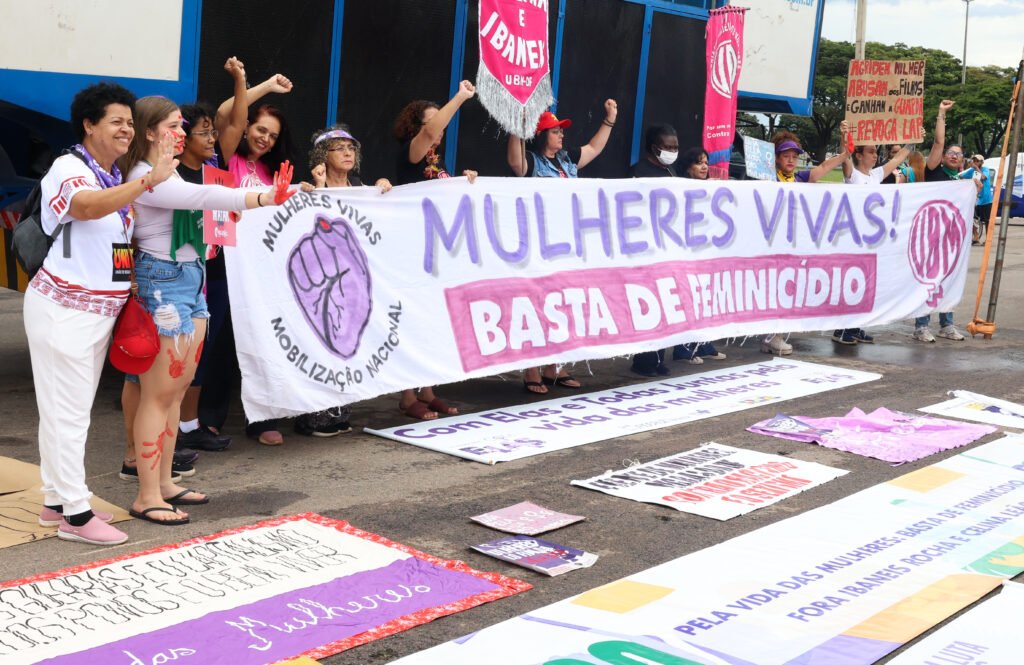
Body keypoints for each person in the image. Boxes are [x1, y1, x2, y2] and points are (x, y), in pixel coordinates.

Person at [121, 95, 295, 525]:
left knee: (176, 392)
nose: (180, 133)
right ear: (149, 132)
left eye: (181, 125)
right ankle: (147, 494)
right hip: (163, 282)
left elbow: (202, 198)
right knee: (159, 394)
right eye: (172, 126)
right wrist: (262, 197)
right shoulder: (145, 174)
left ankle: (163, 484)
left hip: (189, 278)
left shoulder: (161, 172)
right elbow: (201, 194)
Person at [25, 83, 175, 545]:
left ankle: (55, 501)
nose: (127, 129)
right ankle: (75, 514)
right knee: (70, 415)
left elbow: (112, 238)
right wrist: (148, 180)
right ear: (89, 125)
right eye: (116, 121)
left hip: (94, 312)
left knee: (62, 411)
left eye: (130, 122)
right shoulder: (70, 168)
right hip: (65, 310)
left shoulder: (110, 175)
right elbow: (85, 208)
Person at [508, 100, 618, 392]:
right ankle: (531, 368)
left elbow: (593, 148)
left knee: (562, 304)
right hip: (538, 244)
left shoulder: (566, 160)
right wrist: (517, 126)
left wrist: (609, 119)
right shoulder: (532, 161)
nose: (561, 135)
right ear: (542, 135)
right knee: (537, 303)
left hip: (567, 244)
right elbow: (516, 163)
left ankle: (554, 365)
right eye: (555, 131)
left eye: (561, 131)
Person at [215, 62, 295, 443]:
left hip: (261, 269)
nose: (266, 139)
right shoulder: (225, 155)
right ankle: (208, 420)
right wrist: (261, 85)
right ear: (246, 128)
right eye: (261, 130)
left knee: (262, 339)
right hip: (223, 262)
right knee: (220, 344)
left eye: (273, 136)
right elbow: (224, 113)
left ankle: (262, 418)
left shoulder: (269, 172)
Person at [296, 125, 393, 435]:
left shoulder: (361, 187)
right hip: (322, 279)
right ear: (323, 155)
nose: (348, 153)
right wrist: (318, 185)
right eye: (339, 148)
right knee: (321, 344)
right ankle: (313, 417)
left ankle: (339, 412)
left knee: (348, 345)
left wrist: (383, 188)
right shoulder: (311, 185)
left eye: (351, 148)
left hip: (352, 278)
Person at [391, 83, 477, 418]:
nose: (440, 128)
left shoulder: (435, 161)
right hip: (412, 249)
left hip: (436, 251)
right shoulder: (412, 152)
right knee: (413, 321)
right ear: (417, 127)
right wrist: (460, 97)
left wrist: (464, 182)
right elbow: (429, 133)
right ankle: (407, 395)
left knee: (432, 321)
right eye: (434, 122)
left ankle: (427, 391)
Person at [767, 130, 851, 354]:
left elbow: (823, 168)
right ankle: (772, 336)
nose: (791, 160)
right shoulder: (767, 178)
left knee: (785, 289)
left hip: (792, 242)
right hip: (770, 242)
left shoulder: (800, 178)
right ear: (776, 157)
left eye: (795, 156)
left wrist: (845, 154)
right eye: (786, 156)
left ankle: (775, 336)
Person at [832, 133, 912, 345]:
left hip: (870, 240)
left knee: (865, 285)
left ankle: (854, 327)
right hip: (852, 238)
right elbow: (844, 155)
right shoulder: (852, 175)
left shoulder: (876, 175)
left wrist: (913, 141)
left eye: (876, 151)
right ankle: (843, 329)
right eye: (870, 151)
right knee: (851, 284)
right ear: (858, 155)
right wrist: (844, 135)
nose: (875, 155)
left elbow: (898, 158)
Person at [913, 99, 966, 343]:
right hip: (930, 236)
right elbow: (938, 142)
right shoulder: (934, 170)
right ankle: (921, 327)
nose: (954, 156)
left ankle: (947, 325)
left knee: (949, 281)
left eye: (959, 154)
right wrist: (941, 114)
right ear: (943, 157)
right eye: (951, 153)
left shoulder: (962, 182)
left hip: (951, 240)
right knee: (928, 281)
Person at [671, 146, 728, 365]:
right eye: (698, 162)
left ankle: (702, 344)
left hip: (706, 253)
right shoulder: (679, 188)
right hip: (686, 253)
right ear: (688, 167)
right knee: (686, 300)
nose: (704, 167)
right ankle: (682, 348)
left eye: (706, 162)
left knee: (704, 300)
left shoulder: (711, 188)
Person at [959, 153, 994, 244]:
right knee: (971, 218)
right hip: (975, 199)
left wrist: (976, 168)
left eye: (977, 161)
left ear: (981, 162)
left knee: (987, 220)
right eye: (974, 160)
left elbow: (983, 177)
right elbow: (961, 176)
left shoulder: (985, 169)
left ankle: (988, 239)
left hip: (986, 200)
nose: (975, 162)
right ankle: (976, 236)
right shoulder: (971, 170)